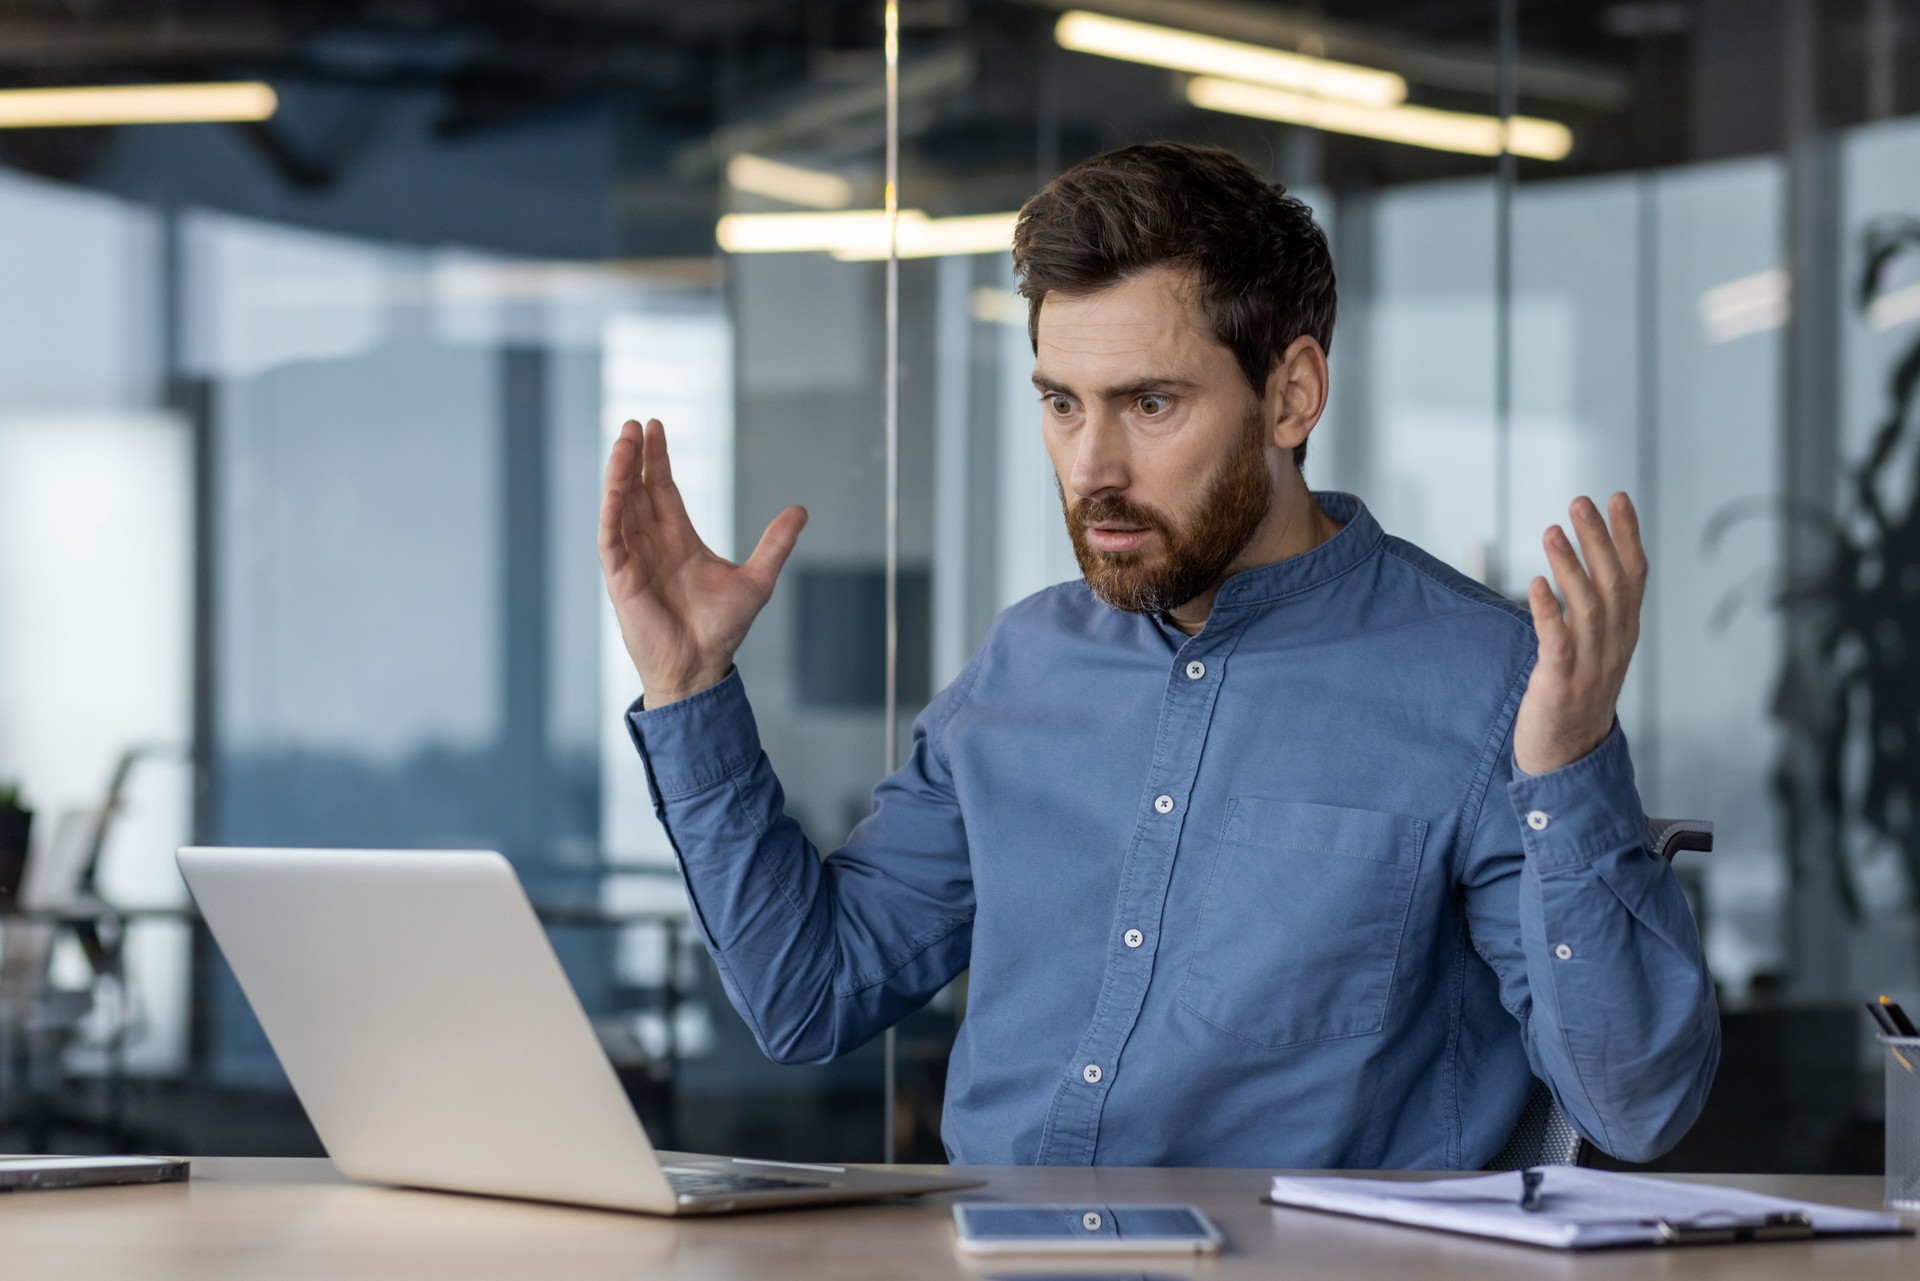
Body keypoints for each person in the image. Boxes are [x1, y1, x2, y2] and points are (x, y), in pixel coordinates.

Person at [599, 142, 1719, 1168]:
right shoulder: (1024, 667)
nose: (1093, 467)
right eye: (1062, 404)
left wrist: (1567, 766)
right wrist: (690, 689)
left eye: (1149, 403)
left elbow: (1635, 1104)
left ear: (1290, 395)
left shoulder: (1485, 686)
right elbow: (811, 994)